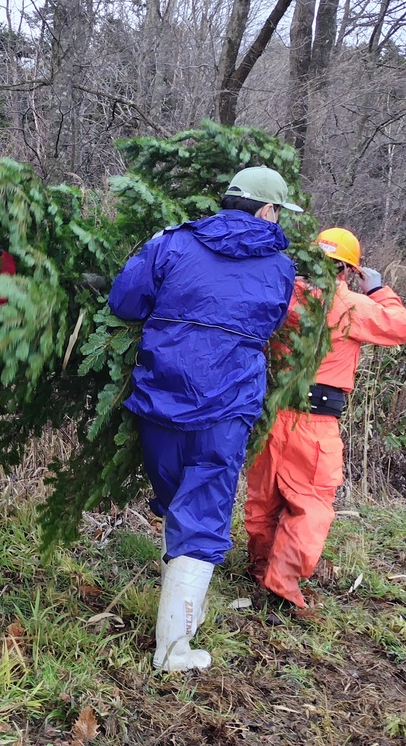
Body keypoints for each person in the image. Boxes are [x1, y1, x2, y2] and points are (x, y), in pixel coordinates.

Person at [108, 166, 299, 672]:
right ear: (265, 210)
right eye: (278, 209)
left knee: (177, 502)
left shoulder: (173, 243)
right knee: (203, 512)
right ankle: (174, 648)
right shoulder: (280, 267)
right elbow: (270, 320)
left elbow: (124, 301)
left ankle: (183, 615)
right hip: (226, 405)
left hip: (161, 400)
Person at [245, 228, 406, 609]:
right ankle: (281, 584)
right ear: (349, 270)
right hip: (316, 423)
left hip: (271, 413)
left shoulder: (284, 294)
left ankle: (259, 569)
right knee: (310, 503)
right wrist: (377, 290)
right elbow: (402, 328)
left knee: (264, 498)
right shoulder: (350, 304)